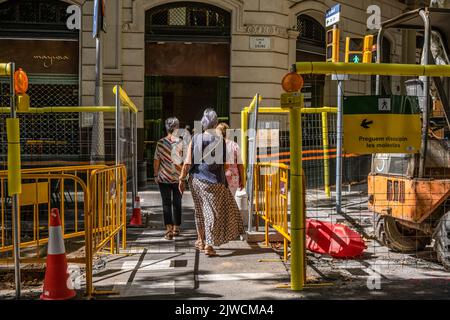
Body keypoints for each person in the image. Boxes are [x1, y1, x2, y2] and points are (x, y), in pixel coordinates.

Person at [179, 109, 244, 256]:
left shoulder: (196, 138)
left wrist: (181, 179)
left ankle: (201, 240)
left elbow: (187, 162)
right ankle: (208, 244)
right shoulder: (221, 141)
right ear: (215, 124)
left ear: (203, 123)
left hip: (195, 179)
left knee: (200, 211)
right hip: (214, 180)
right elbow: (226, 165)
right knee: (212, 212)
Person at [154, 117, 183, 240]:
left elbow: (157, 160)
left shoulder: (160, 143)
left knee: (166, 203)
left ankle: (169, 230)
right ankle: (176, 227)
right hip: (177, 177)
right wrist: (184, 176)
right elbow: (184, 161)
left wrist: (156, 174)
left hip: (163, 177)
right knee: (177, 202)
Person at [216, 122, 245, 196]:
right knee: (231, 201)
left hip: (219, 178)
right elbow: (240, 165)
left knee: (220, 203)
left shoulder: (215, 145)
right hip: (233, 179)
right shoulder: (235, 145)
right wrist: (242, 180)